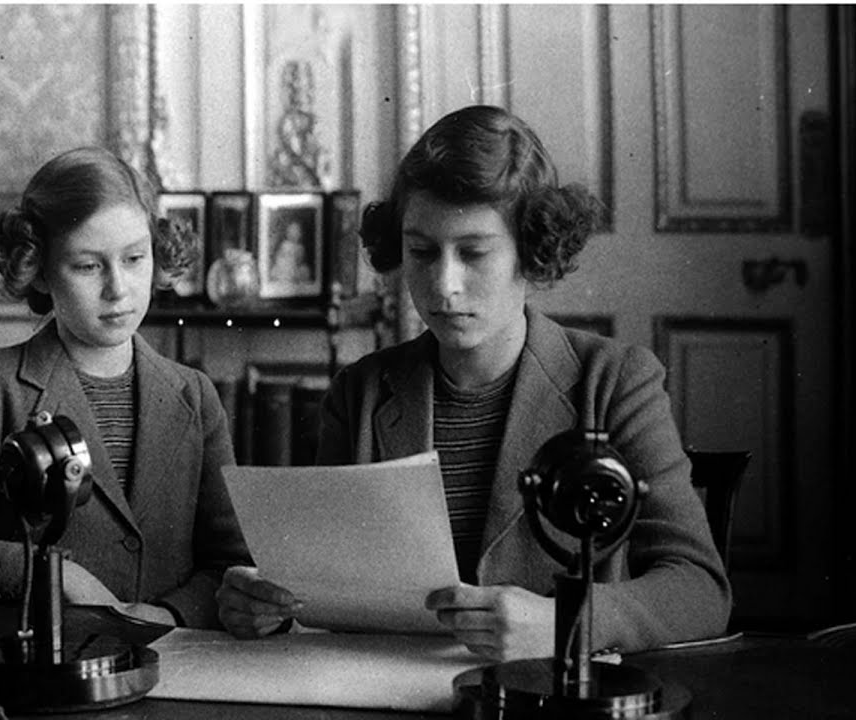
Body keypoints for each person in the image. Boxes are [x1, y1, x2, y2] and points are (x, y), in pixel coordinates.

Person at [216, 106, 730, 658]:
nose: (444, 284)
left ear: (532, 251)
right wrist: (266, 605)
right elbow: (322, 588)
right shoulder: (359, 393)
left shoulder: (615, 382)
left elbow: (700, 589)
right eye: (421, 251)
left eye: (474, 253)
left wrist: (565, 622)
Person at [0, 146, 251, 629]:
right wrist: (53, 574)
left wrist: (167, 614)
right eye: (88, 266)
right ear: (39, 270)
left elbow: (230, 564)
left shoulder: (195, 395)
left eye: (135, 258)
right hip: (40, 661)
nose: (118, 289)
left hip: (171, 658)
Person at [269, 220, 312, 284]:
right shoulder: (285, 244)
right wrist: (282, 259)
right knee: (282, 269)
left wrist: (296, 260)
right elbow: (279, 255)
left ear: (300, 234)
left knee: (304, 270)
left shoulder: (300, 247)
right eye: (292, 232)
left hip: (295, 266)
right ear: (287, 234)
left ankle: (293, 278)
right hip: (284, 265)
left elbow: (300, 260)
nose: (294, 234)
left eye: (297, 232)